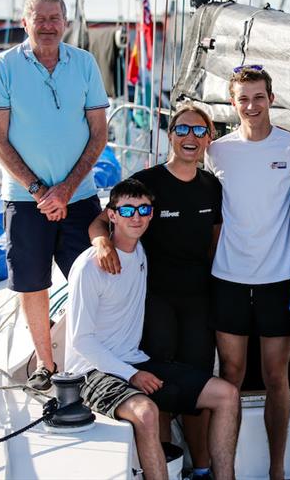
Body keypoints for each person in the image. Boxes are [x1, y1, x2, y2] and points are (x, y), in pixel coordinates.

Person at [65, 178, 240, 480]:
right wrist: (131, 374)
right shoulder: (90, 266)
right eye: (128, 209)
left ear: (151, 215)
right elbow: (81, 341)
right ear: (112, 214)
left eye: (144, 209)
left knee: (226, 394)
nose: (136, 216)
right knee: (146, 413)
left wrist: (134, 369)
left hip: (135, 360)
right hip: (91, 371)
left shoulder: (141, 253)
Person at [0, 0, 108, 391]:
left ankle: (92, 357)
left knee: (90, 277)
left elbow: (99, 133)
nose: (49, 26)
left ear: (66, 22)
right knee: (32, 282)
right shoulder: (4, 67)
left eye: (55, 18)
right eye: (40, 18)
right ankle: (45, 363)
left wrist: (66, 189)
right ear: (26, 22)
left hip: (80, 195)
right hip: (24, 198)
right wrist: (41, 191)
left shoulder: (84, 63)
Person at [89, 104, 220, 479]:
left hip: (198, 300)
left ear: (209, 138)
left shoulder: (212, 186)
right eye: (182, 129)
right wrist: (102, 245)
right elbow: (102, 220)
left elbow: (214, 239)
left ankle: (202, 468)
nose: (190, 138)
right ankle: (169, 468)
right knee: (159, 389)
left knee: (197, 390)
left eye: (199, 131)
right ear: (170, 134)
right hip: (154, 301)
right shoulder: (147, 181)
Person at [204, 65, 290, 480]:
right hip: (228, 278)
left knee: (276, 376)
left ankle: (278, 470)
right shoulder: (218, 151)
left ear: (272, 98)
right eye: (243, 98)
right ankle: (225, 470)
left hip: (278, 279)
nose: (251, 105)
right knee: (231, 375)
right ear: (233, 102)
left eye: (258, 96)